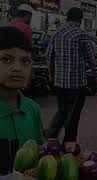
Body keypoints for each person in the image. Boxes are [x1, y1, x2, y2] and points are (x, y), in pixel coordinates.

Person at [45, 7, 97, 153]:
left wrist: (52, 75)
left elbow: (48, 56)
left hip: (60, 83)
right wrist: (95, 76)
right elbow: (90, 59)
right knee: (73, 116)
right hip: (77, 84)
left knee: (62, 110)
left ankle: (51, 139)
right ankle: (68, 145)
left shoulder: (57, 33)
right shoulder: (81, 34)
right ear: (80, 19)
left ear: (67, 18)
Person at [0, 27, 45, 173]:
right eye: (6, 59)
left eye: (25, 61)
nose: (18, 68)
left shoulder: (32, 108)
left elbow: (38, 150)